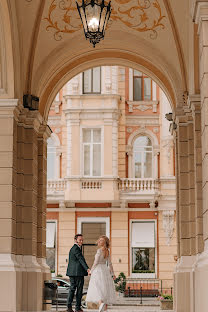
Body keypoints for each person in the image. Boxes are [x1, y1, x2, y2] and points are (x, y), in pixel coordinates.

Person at [86, 235, 116, 312]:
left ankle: (101, 304)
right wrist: (112, 274)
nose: (99, 241)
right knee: (104, 288)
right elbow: (110, 264)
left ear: (104, 242)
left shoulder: (99, 251)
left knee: (97, 287)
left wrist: (91, 271)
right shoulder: (107, 251)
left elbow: (95, 262)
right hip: (105, 270)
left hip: (98, 270)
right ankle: (105, 308)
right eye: (99, 240)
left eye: (101, 240)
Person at [66, 234, 91, 312]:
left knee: (72, 289)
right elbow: (81, 259)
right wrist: (87, 269)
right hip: (78, 273)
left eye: (82, 240)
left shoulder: (72, 248)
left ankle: (69, 307)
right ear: (75, 240)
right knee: (79, 290)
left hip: (71, 272)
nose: (81, 241)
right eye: (80, 240)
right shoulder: (76, 248)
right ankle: (77, 307)